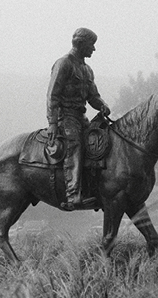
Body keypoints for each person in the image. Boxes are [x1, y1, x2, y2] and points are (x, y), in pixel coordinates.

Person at [46, 27, 111, 211]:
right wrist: (52, 123)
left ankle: (97, 188)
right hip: (65, 117)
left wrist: (102, 105)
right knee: (75, 145)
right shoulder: (63, 64)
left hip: (81, 117)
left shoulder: (87, 70)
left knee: (99, 142)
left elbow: (93, 97)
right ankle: (73, 194)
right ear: (81, 44)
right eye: (92, 45)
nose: (94, 49)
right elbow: (52, 95)